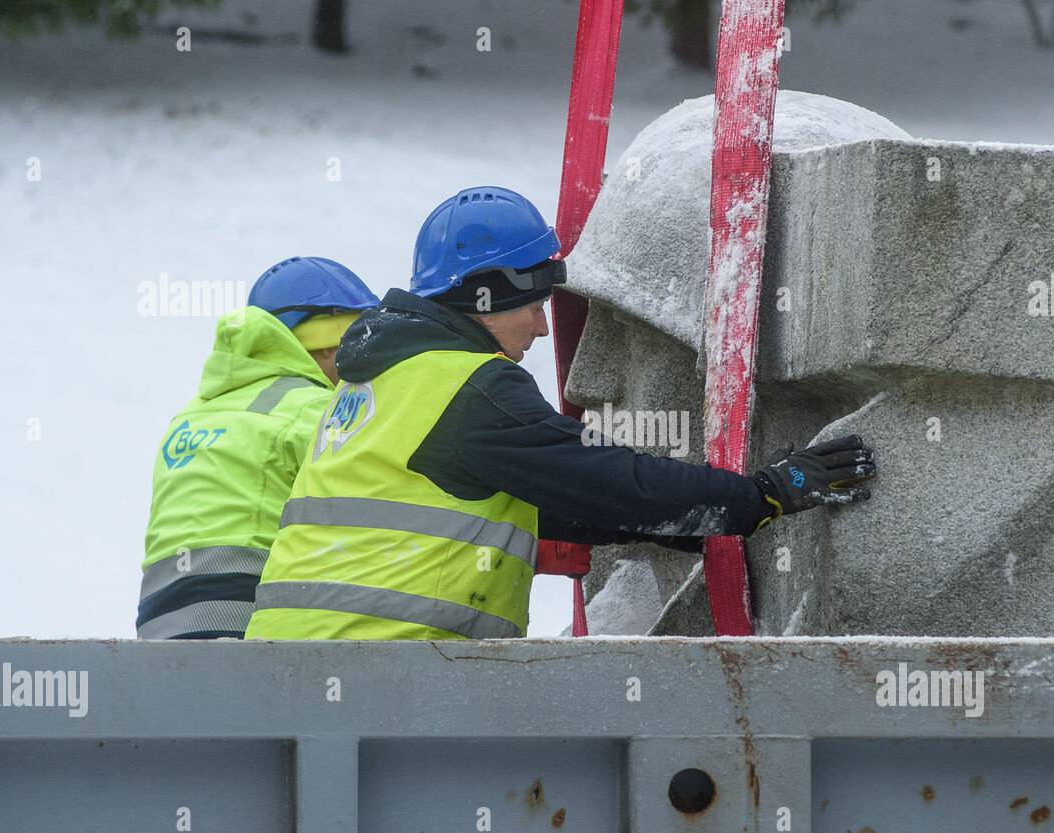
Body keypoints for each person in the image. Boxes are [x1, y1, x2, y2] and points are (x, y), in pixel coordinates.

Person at [244, 187, 876, 641]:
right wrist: (763, 495)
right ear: (483, 295)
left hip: (300, 654)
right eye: (534, 304)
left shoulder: (380, 382)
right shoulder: (468, 387)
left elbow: (551, 502)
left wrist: (682, 525)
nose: (544, 328)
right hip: (374, 660)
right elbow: (598, 477)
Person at [136, 257, 379, 639]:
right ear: (327, 348)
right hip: (243, 610)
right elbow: (368, 511)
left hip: (158, 622)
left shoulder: (188, 417)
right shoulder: (313, 407)